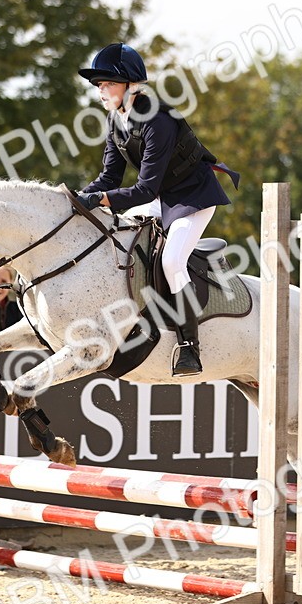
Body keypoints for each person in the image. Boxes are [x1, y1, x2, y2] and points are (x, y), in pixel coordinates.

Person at [75, 43, 240, 376]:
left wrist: (102, 200)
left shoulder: (157, 121)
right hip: (160, 196)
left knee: (172, 260)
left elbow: (144, 189)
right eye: (99, 85)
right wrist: (78, 197)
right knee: (119, 239)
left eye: (108, 83)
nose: (101, 91)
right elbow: (109, 177)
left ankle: (189, 346)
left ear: (131, 85)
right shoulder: (115, 120)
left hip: (192, 197)